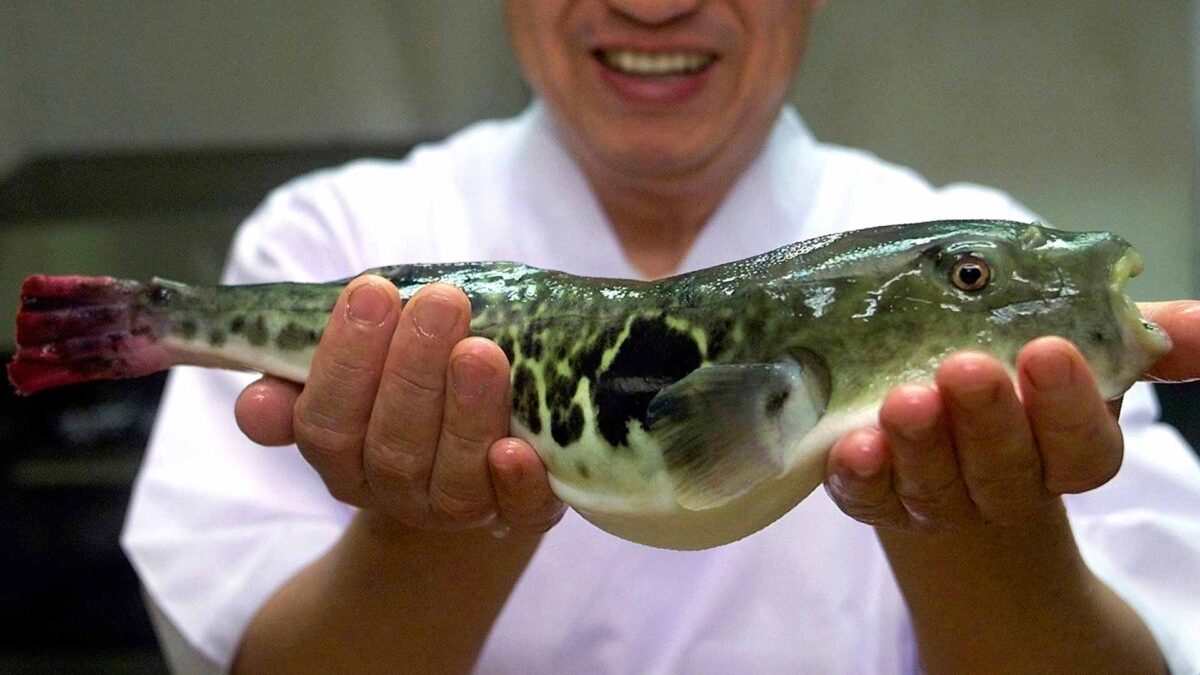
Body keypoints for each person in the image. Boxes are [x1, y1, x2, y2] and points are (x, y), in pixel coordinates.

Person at [121, 1, 1200, 673]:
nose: (654, 4)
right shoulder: (329, 238)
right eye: (970, 280)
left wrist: (976, 515)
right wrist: (435, 515)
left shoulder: (985, 239)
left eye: (970, 281)